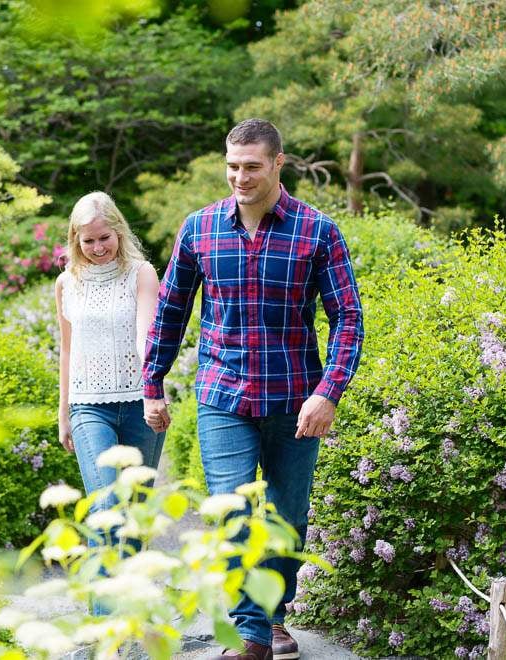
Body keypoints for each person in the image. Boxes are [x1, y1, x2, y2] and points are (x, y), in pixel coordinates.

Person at [142, 119, 364, 660]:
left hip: (295, 401)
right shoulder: (200, 229)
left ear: (278, 164)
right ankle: (253, 634)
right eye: (232, 166)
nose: (240, 177)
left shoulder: (317, 231)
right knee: (232, 514)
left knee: (288, 518)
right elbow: (170, 311)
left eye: (252, 167)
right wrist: (153, 383)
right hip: (223, 395)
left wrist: (328, 392)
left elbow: (348, 318)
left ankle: (273, 615)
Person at [55, 191, 165, 564]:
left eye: (104, 237)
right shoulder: (66, 283)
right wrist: (63, 414)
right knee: (107, 508)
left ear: (119, 231)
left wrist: (154, 391)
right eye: (88, 240)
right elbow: (67, 350)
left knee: (134, 515)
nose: (97, 247)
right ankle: (106, 620)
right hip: (89, 407)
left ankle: (132, 617)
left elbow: (144, 333)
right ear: (76, 240)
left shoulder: (141, 273)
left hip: (139, 405)